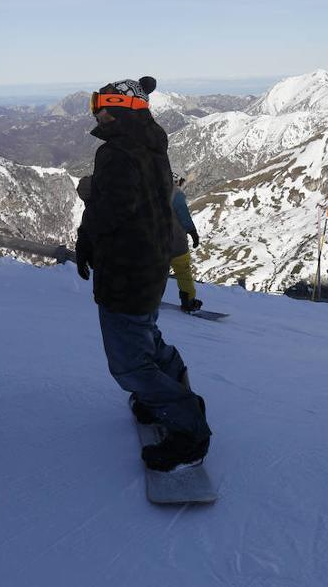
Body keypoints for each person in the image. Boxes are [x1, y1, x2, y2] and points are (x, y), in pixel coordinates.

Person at [74, 77, 212, 471]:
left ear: (116, 106)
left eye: (99, 104)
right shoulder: (152, 145)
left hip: (125, 271)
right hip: (150, 266)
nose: (96, 111)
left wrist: (87, 234)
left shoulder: (118, 153)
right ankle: (173, 395)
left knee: (130, 363)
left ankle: (188, 429)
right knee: (146, 338)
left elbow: (110, 211)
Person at [169, 173, 203, 313]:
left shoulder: (150, 191)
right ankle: (188, 301)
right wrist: (193, 233)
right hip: (177, 243)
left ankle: (146, 297)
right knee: (183, 272)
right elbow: (184, 216)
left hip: (156, 243)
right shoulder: (176, 195)